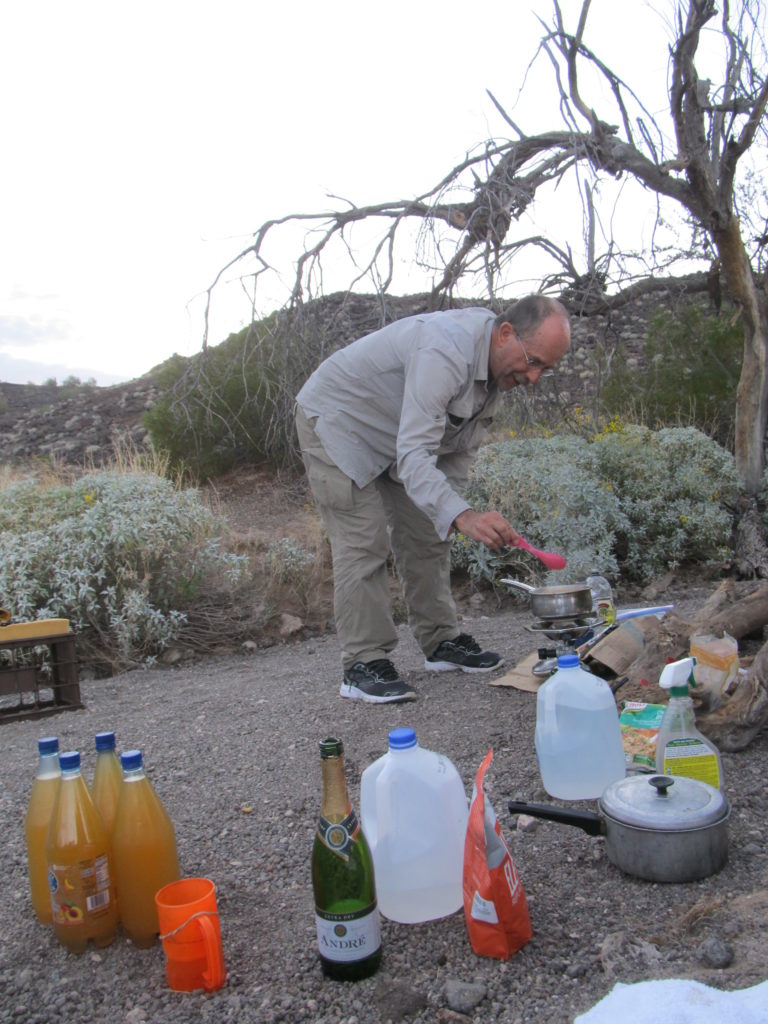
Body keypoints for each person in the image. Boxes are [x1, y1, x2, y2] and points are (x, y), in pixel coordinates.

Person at [295, 295, 571, 703]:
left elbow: (455, 456)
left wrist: (461, 515)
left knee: (429, 530)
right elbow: (414, 456)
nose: (534, 378)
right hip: (339, 422)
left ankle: (441, 641)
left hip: (397, 437)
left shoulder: (495, 375)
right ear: (507, 334)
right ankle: (362, 664)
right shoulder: (445, 350)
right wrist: (464, 515)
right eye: (533, 362)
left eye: (545, 370)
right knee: (364, 541)